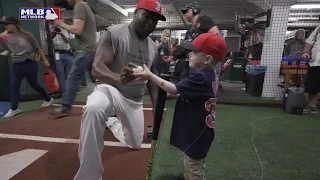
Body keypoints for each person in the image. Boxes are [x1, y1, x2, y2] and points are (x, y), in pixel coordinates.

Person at [73, 0, 166, 179]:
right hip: (111, 90)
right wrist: (118, 78)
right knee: (94, 108)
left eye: (155, 20)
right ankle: (89, 176)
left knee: (135, 143)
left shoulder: (153, 47)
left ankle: (112, 122)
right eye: (147, 16)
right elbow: (97, 68)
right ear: (136, 12)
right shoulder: (114, 33)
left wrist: (156, 109)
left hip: (134, 100)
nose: (150, 23)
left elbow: (152, 82)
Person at [133, 33, 227, 180]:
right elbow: (193, 94)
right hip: (200, 130)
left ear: (207, 59)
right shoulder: (209, 74)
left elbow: (173, 89)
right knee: (194, 162)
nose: (190, 54)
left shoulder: (200, 76)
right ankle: (188, 176)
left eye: (195, 52)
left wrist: (150, 76)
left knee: (193, 165)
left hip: (197, 133)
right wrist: (176, 94)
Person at [0, 17, 54, 118]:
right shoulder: (4, 37)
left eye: (7, 23)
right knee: (14, 85)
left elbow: (38, 48)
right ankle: (15, 108)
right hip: (16, 65)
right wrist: (2, 54)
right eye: (4, 24)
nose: (5, 26)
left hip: (29, 63)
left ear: (15, 25)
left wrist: (45, 61)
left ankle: (48, 99)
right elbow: (7, 50)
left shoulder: (27, 35)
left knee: (34, 84)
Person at [50, 0, 96, 117]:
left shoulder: (79, 6)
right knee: (98, 81)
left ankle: (65, 107)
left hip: (85, 51)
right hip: (91, 50)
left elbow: (77, 30)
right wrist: (64, 22)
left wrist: (60, 23)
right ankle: (112, 105)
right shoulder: (84, 6)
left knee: (73, 79)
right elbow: (79, 27)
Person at [49, 21, 73, 93]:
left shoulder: (64, 30)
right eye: (51, 22)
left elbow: (67, 41)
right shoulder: (48, 32)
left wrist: (61, 33)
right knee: (60, 72)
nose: (53, 23)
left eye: (54, 22)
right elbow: (49, 42)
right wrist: (53, 33)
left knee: (72, 71)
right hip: (57, 54)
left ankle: (73, 87)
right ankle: (64, 89)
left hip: (67, 53)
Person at [301, 25, 320, 113]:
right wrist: (305, 52)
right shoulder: (319, 28)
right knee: (312, 84)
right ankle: (311, 105)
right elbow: (310, 41)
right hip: (315, 62)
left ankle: (312, 105)